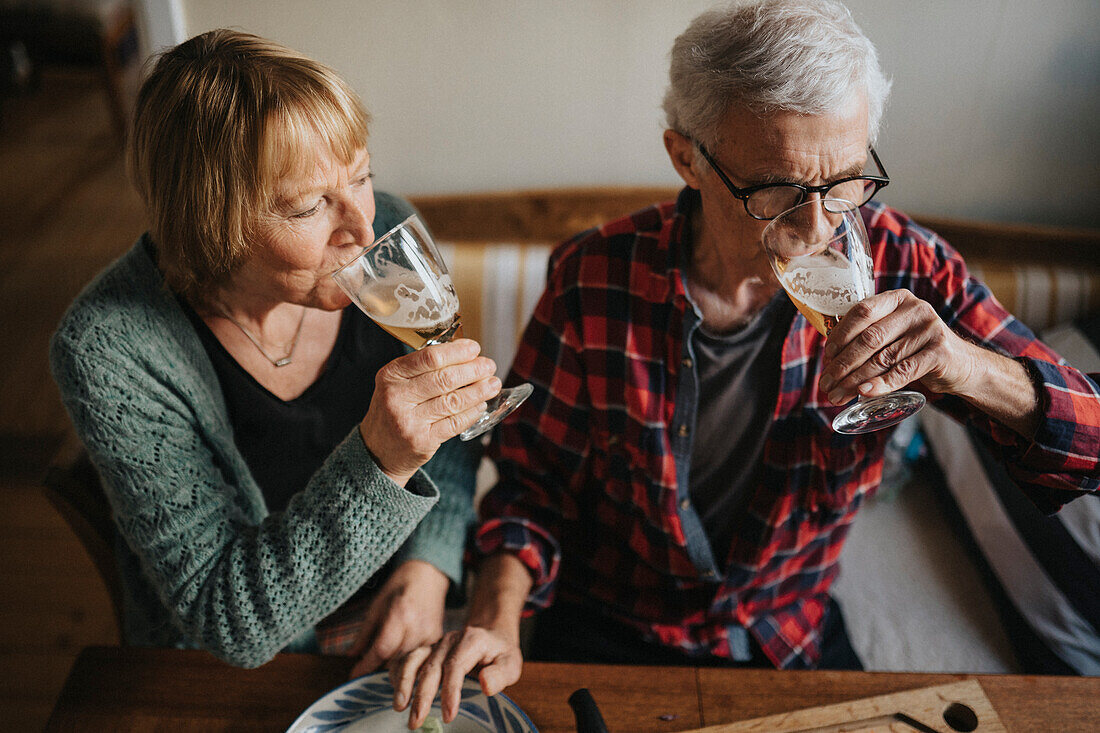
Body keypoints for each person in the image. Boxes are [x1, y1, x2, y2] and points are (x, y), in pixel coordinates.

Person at [389, 0, 1100, 727]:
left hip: (788, 634)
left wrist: (963, 366)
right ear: (686, 157)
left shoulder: (904, 265)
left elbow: (1093, 441)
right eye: (780, 190)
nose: (821, 226)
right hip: (610, 630)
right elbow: (531, 489)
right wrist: (497, 615)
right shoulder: (592, 276)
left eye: (846, 181)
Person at [48, 30, 502, 670]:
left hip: (405, 609)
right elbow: (228, 624)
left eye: (362, 176)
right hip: (235, 672)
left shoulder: (388, 236)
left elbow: (455, 431)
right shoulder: (111, 346)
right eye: (310, 205)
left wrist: (429, 566)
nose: (363, 228)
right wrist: (382, 459)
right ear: (212, 221)